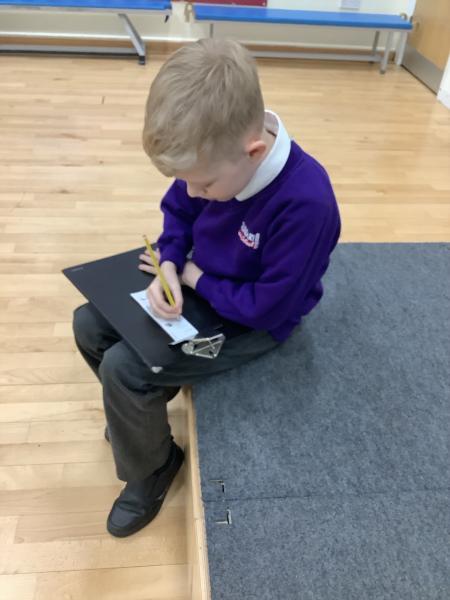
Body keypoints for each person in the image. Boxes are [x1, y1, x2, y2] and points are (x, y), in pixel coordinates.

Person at [73, 38, 341, 538]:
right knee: (87, 324)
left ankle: (153, 467)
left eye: (205, 186)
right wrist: (170, 261)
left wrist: (193, 276)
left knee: (124, 370)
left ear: (253, 152)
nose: (194, 192)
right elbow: (179, 210)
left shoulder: (308, 204)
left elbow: (267, 307)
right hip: (201, 282)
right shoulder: (215, 160)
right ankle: (141, 422)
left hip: (254, 320)